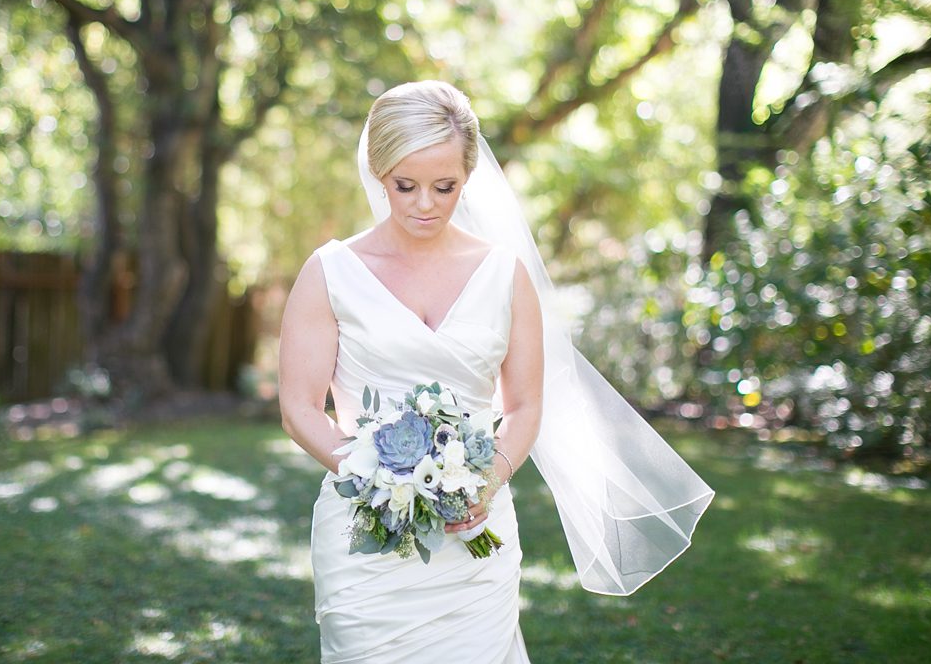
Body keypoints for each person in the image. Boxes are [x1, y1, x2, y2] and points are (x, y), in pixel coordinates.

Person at [279, 81, 714, 663]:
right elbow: (300, 409)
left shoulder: (504, 274)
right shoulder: (331, 272)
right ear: (379, 172)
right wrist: (381, 482)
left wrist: (485, 484)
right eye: (406, 185)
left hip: (475, 538)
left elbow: (526, 405)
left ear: (468, 177)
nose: (425, 204)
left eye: (445, 186)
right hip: (364, 540)